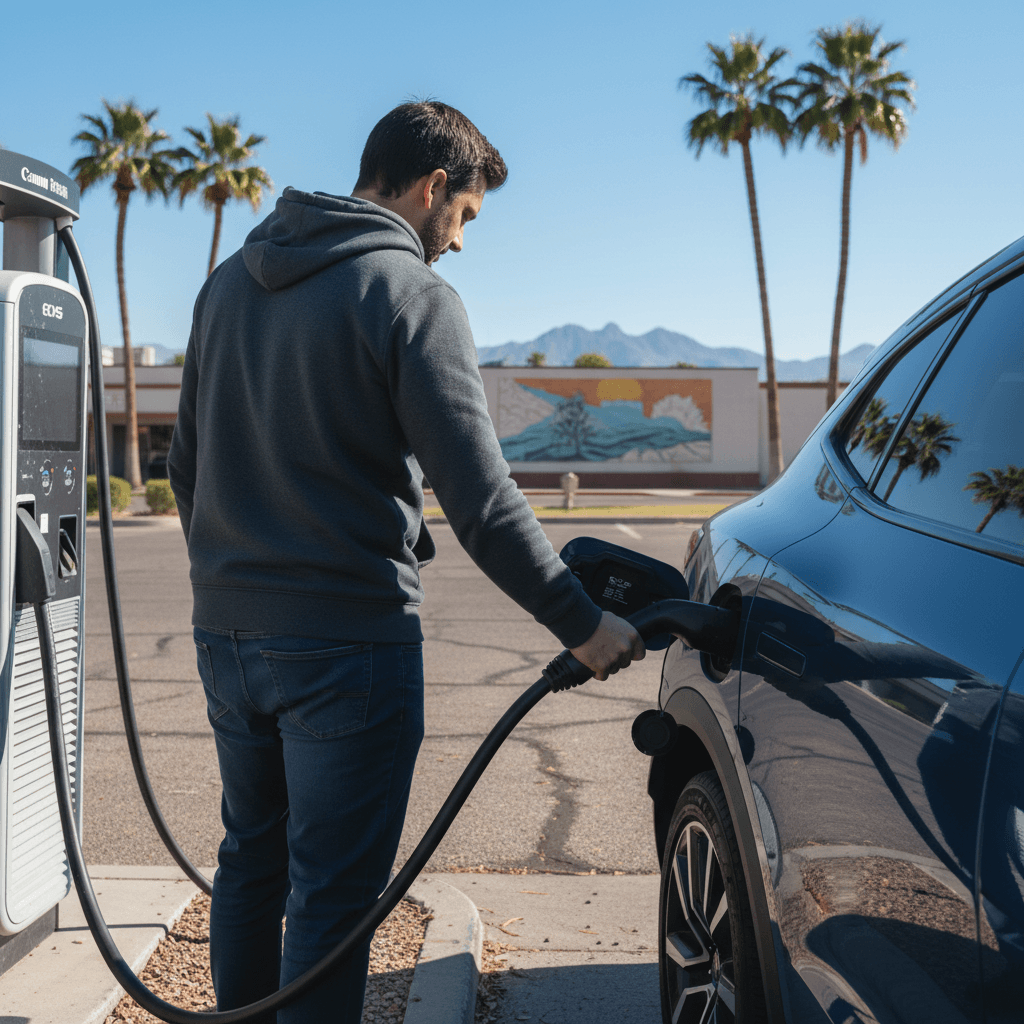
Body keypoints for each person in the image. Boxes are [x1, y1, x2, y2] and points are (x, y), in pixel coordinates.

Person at [168, 100, 644, 1024]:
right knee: (333, 900)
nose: (460, 242)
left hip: (226, 636)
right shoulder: (413, 295)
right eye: (464, 216)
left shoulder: (227, 282)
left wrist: (238, 575)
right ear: (431, 189)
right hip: (348, 644)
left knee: (250, 861)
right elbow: (483, 501)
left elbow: (185, 467)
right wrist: (582, 626)